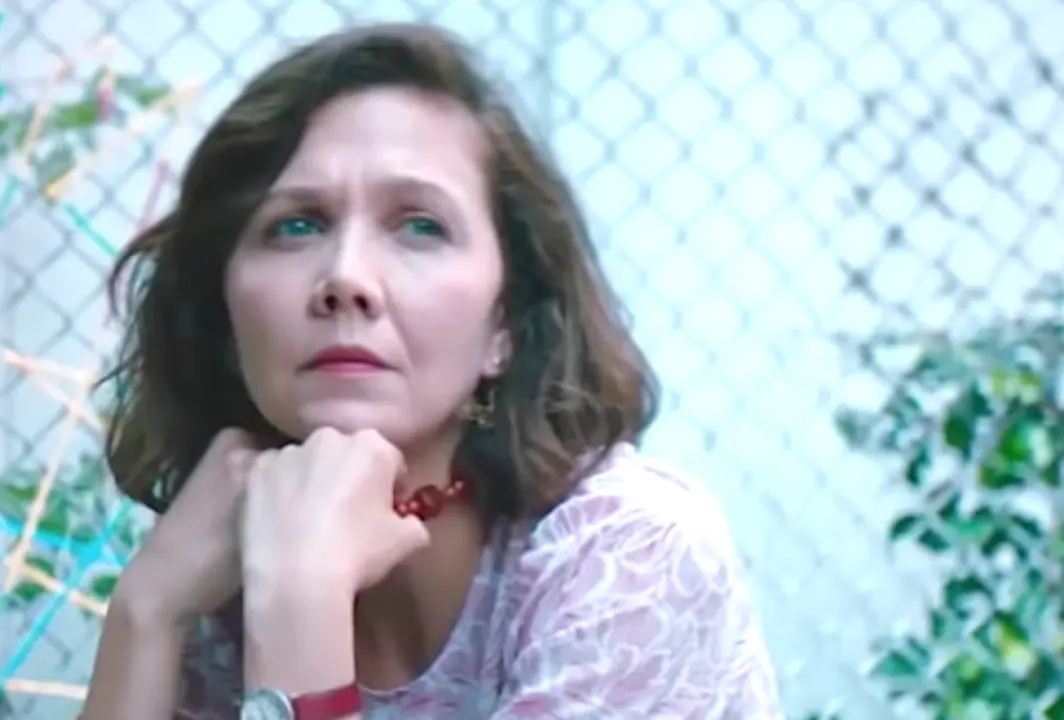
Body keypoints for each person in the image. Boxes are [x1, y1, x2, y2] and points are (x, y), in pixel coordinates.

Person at [81, 22, 781, 720]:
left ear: (505, 323)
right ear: (225, 313)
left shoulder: (629, 555)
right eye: (296, 224)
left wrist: (300, 599)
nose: (346, 277)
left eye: (420, 225)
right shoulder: (221, 561)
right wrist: (148, 611)